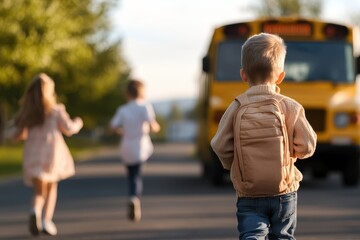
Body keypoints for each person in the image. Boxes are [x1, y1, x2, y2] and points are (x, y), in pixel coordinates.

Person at [210, 33, 317, 240]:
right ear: (280, 76)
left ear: (243, 75)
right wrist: (292, 154)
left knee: (252, 234)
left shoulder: (236, 106)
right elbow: (308, 145)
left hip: (249, 192)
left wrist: (235, 164)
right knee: (283, 236)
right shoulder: (290, 106)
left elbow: (219, 145)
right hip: (284, 191)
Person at [13, 73, 83, 236]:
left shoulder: (29, 112)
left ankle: (34, 211)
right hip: (52, 155)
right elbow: (69, 129)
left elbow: (18, 135)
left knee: (39, 191)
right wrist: (78, 122)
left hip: (33, 155)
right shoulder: (56, 110)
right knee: (51, 189)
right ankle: (46, 221)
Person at [110, 79, 160, 222]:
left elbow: (113, 126)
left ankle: (132, 196)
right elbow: (153, 125)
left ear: (128, 93)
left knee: (131, 174)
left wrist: (122, 131)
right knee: (136, 176)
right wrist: (155, 128)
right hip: (140, 146)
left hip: (126, 146)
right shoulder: (145, 107)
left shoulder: (123, 109)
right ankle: (134, 197)